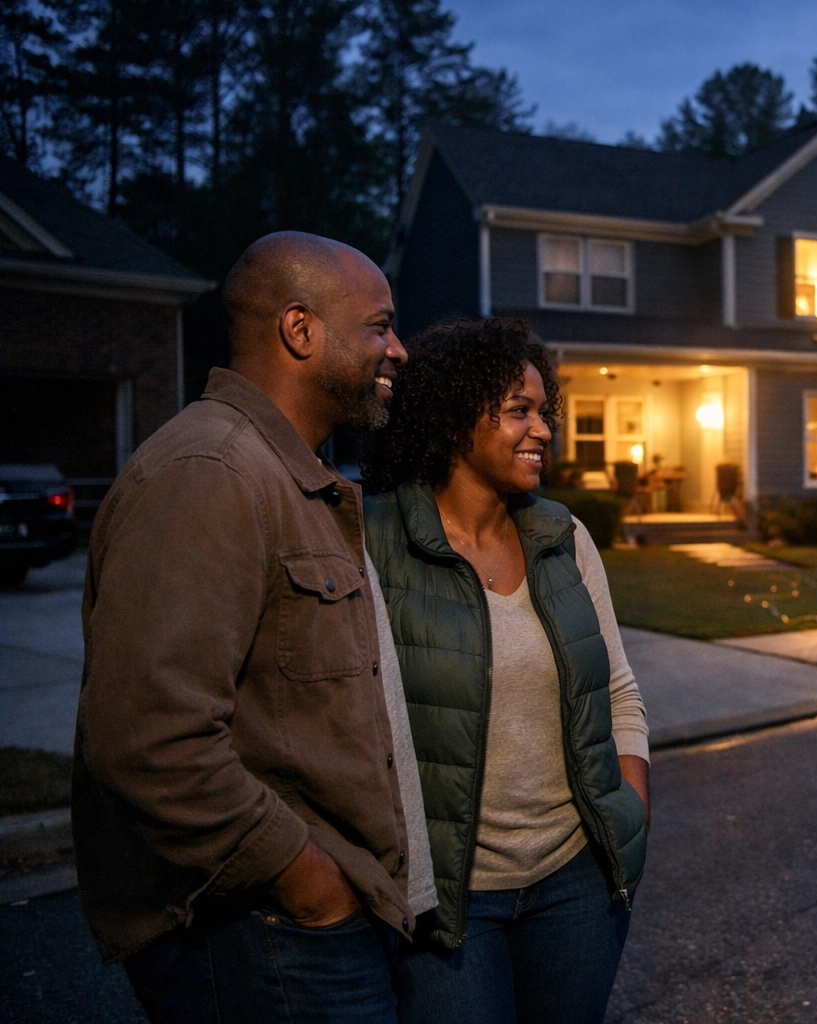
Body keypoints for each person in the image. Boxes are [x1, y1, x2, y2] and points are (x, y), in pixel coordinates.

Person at [73, 231, 423, 1022]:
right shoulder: (212, 473)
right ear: (300, 331)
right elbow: (146, 738)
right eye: (379, 326)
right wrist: (309, 883)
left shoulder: (287, 476)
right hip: (264, 931)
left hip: (306, 919)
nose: (398, 349)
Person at [361, 316, 650, 1024]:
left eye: (541, 411)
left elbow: (618, 688)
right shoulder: (375, 543)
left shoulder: (563, 538)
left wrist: (632, 812)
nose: (544, 431)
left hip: (576, 882)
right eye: (519, 411)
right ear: (456, 417)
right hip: (449, 898)